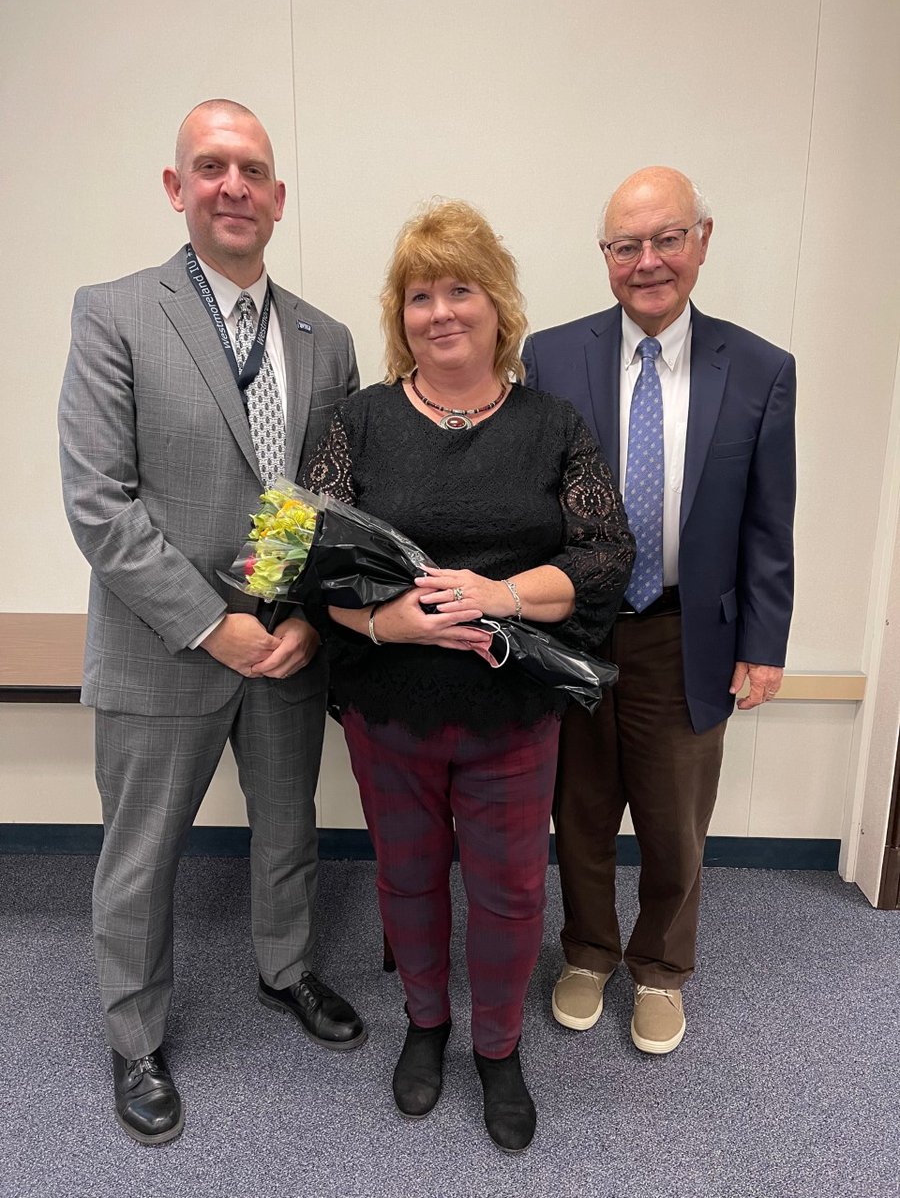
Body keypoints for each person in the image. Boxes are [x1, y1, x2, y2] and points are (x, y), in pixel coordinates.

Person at [58, 99, 364, 1146]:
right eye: (211, 165)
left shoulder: (327, 337)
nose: (233, 184)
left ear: (278, 199)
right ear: (176, 188)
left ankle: (286, 970)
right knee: (140, 854)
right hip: (163, 645)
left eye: (253, 170)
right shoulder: (113, 314)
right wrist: (211, 624)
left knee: (289, 828)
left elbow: (322, 498)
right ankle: (134, 1035)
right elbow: (102, 504)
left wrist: (301, 618)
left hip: (285, 645)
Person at [302, 199, 634, 1153]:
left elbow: (606, 555)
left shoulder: (553, 424)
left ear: (499, 305)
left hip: (512, 714)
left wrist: (502, 594)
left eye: (461, 289)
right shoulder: (356, 422)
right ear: (398, 314)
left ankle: (496, 1048)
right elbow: (305, 564)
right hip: (390, 709)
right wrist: (387, 619)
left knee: (508, 891)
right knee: (406, 881)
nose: (440, 311)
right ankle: (426, 1024)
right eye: (419, 295)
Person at [522, 166, 796, 1054]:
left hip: (690, 635)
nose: (648, 261)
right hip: (578, 627)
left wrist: (764, 642)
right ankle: (590, 952)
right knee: (583, 810)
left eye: (667, 238)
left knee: (676, 824)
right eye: (626, 245)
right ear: (604, 256)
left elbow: (768, 522)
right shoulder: (551, 357)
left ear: (702, 242)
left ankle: (664, 968)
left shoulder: (759, 370)